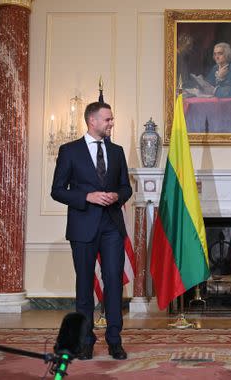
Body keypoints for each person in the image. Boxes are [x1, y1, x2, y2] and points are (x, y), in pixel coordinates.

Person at [51, 102, 132, 361]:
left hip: (112, 226)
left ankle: (114, 341)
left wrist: (115, 195)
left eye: (111, 119)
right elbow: (58, 190)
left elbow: (126, 188)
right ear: (92, 121)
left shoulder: (117, 151)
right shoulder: (69, 150)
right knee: (84, 286)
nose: (111, 123)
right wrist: (88, 196)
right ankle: (85, 342)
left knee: (113, 283)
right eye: (107, 119)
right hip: (83, 226)